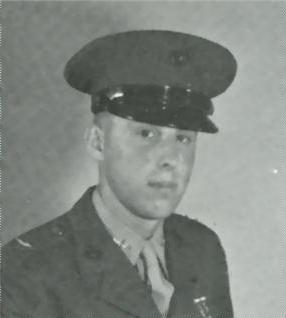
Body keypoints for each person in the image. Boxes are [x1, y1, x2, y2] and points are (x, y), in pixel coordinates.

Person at [2, 30, 237, 318]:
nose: (170, 159)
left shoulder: (201, 249)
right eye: (146, 133)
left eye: (184, 138)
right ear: (97, 142)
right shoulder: (25, 271)